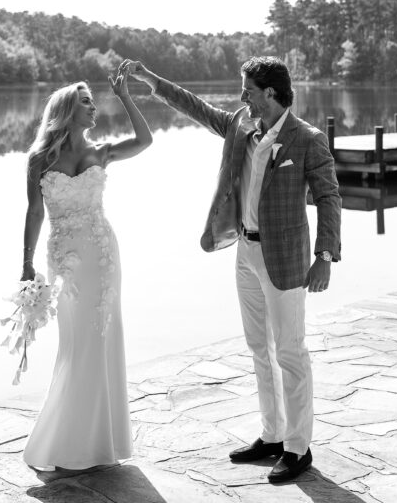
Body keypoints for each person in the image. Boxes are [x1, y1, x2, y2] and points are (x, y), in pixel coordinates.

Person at [126, 55, 341, 485]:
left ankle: (298, 448)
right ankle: (272, 435)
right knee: (259, 347)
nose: (242, 96)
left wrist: (324, 257)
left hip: (286, 259)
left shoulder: (307, 140)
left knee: (291, 352)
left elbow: (330, 197)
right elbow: (195, 106)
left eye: (248, 89)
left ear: (271, 93)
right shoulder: (242, 126)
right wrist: (151, 79)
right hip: (245, 251)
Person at [20, 60, 152, 473]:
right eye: (86, 102)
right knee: (76, 343)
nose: (94, 108)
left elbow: (145, 141)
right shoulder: (40, 157)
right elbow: (34, 212)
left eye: (94, 102)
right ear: (66, 110)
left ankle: (100, 443)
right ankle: (68, 438)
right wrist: (26, 263)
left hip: (101, 251)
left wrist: (127, 97)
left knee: (103, 334)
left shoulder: (101, 152)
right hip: (65, 256)